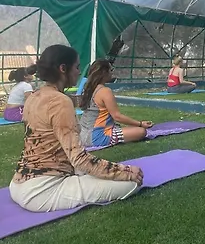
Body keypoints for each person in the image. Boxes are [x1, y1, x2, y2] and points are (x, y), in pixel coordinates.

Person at [9, 45, 143, 212]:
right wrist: (125, 171)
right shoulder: (60, 101)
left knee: (95, 173)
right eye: (77, 67)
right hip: (42, 191)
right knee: (131, 183)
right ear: (63, 69)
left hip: (18, 184)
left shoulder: (33, 97)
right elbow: (79, 159)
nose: (79, 72)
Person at [79, 59, 153, 148]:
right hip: (97, 137)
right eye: (111, 70)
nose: (112, 73)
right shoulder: (104, 91)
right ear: (104, 73)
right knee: (141, 132)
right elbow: (117, 116)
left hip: (82, 135)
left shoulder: (88, 89)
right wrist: (140, 124)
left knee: (124, 128)